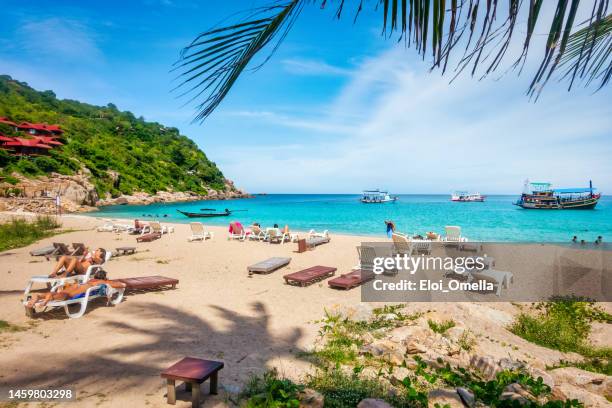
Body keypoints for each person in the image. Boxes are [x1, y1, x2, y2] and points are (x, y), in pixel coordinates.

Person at [25, 270, 126, 314]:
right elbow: (122, 285)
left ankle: (41, 296)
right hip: (82, 289)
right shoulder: (102, 281)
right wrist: (109, 281)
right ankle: (44, 301)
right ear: (104, 277)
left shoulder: (90, 280)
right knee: (64, 296)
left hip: (78, 285)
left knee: (60, 294)